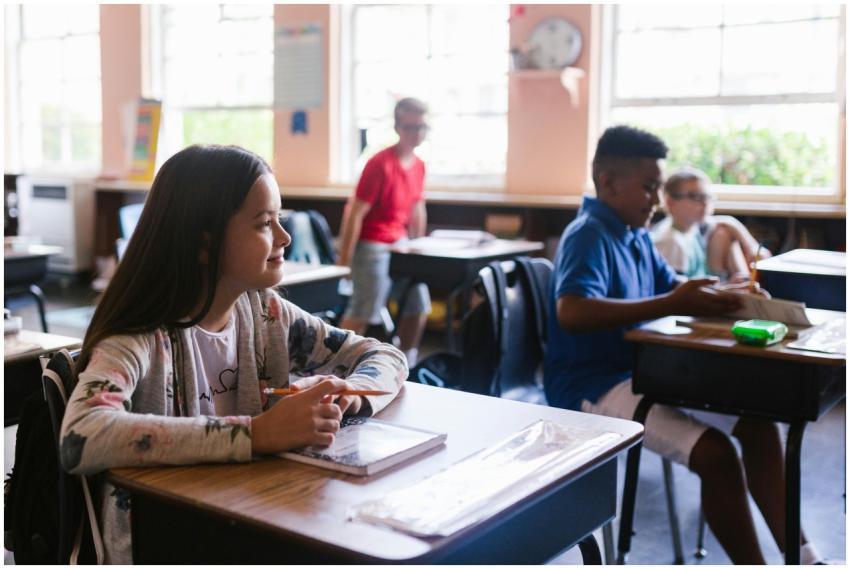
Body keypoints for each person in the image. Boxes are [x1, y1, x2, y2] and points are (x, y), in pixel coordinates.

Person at [60, 145, 407, 564]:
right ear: (204, 241)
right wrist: (257, 434)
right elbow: (81, 437)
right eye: (264, 223)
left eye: (280, 219)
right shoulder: (139, 337)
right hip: (167, 542)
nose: (284, 237)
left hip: (245, 517)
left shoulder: (266, 312)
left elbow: (384, 355)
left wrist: (351, 395)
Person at [543, 125, 822, 564]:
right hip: (591, 385)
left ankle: (803, 555)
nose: (657, 199)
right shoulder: (589, 234)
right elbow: (573, 311)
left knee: (758, 424)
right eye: (650, 187)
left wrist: (720, 294)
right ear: (608, 182)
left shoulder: (632, 232)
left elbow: (668, 285)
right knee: (717, 456)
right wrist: (675, 299)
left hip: (643, 372)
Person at [337, 97, 431, 367]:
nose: (417, 133)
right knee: (364, 309)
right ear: (398, 127)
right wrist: (345, 262)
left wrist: (419, 246)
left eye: (422, 127)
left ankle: (406, 363)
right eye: (411, 127)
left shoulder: (419, 165)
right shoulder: (380, 164)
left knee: (418, 303)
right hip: (372, 244)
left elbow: (417, 208)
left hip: (401, 244)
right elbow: (355, 213)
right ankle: (337, 364)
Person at [651, 166, 770, 281]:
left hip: (703, 287)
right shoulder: (671, 243)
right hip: (693, 297)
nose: (704, 203)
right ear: (670, 202)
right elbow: (679, 295)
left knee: (722, 233)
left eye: (707, 196)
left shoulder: (689, 227)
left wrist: (751, 247)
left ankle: (747, 283)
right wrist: (726, 288)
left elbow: (726, 222)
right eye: (695, 196)